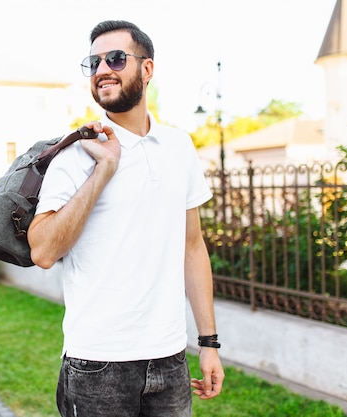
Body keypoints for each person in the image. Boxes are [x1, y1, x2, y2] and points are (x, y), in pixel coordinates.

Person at [27, 20, 225, 417]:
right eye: (93, 62)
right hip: (97, 364)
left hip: (170, 359)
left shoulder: (179, 146)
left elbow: (191, 246)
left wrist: (208, 342)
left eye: (116, 58)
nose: (102, 69)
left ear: (147, 69)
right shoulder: (77, 153)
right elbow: (44, 250)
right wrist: (104, 169)